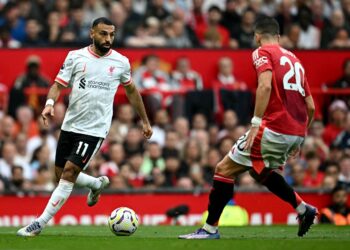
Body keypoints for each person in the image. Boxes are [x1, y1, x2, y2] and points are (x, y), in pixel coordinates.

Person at [179, 17, 317, 240]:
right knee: (258, 170)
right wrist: (299, 136)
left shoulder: (262, 52)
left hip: (272, 127)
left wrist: (255, 123)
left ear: (257, 36)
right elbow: (310, 106)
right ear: (279, 37)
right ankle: (303, 209)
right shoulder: (295, 60)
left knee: (223, 170)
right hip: (295, 131)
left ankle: (209, 229)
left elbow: (264, 86)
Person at [17, 17, 152, 237]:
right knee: (60, 172)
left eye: (111, 34)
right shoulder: (75, 57)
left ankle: (39, 224)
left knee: (69, 173)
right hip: (71, 125)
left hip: (95, 129)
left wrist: (145, 120)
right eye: (103, 34)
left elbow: (132, 92)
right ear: (92, 33)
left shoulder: (121, 62)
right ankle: (96, 184)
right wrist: (49, 105)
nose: (108, 39)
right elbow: (57, 85)